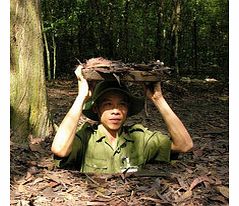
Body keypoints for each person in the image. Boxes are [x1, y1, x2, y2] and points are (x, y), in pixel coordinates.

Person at [51, 65, 193, 173]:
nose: (115, 111)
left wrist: (158, 99)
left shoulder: (139, 138)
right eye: (108, 104)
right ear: (96, 109)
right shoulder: (87, 137)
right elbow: (59, 149)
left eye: (122, 105)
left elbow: (184, 145)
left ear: (128, 110)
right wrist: (81, 97)